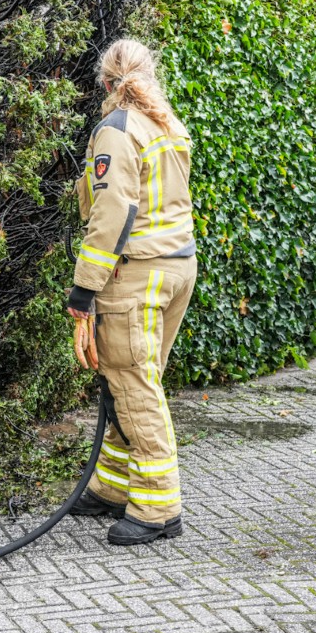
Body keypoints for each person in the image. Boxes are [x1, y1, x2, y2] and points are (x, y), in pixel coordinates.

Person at [66, 38, 198, 546]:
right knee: (132, 382)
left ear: (106, 82)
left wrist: (84, 289)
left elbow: (112, 214)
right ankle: (112, 486)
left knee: (135, 389)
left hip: (137, 276)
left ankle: (158, 508)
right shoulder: (167, 123)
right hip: (177, 268)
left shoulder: (118, 130)